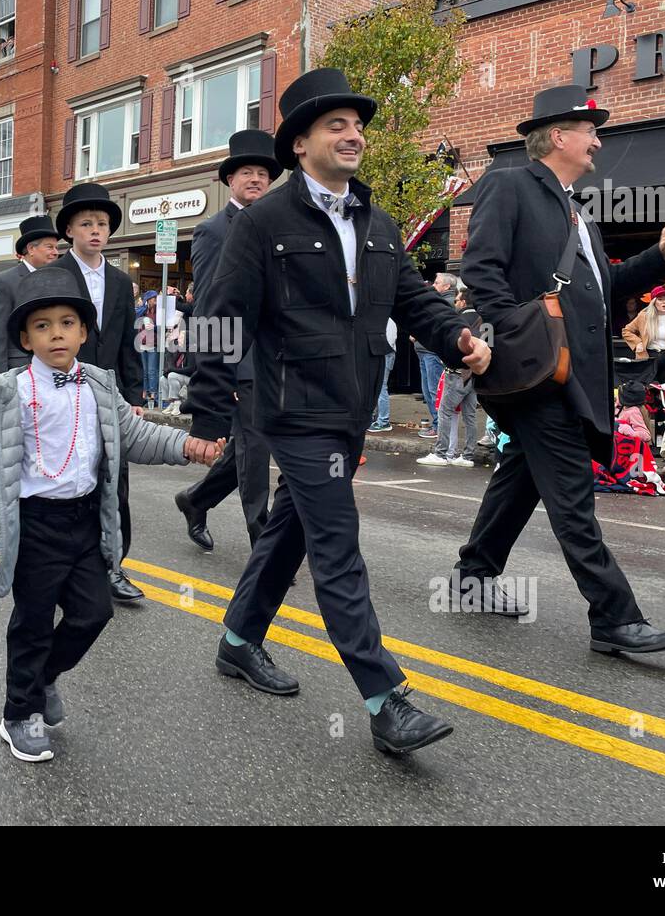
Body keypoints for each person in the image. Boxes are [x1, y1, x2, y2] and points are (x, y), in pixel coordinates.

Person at [185, 67, 491, 757]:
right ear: (299, 143)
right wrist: (207, 415)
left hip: (350, 406)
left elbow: (410, 300)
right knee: (337, 545)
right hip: (290, 411)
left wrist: (458, 336)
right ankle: (385, 698)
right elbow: (216, 318)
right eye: (336, 125)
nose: (353, 134)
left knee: (291, 528)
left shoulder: (378, 221)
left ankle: (237, 641)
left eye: (357, 125)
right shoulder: (264, 222)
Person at [458, 83, 665, 654]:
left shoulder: (577, 212)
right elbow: (482, 270)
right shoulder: (510, 184)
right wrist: (510, 341)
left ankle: (473, 579)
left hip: (572, 374)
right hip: (536, 370)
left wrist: (660, 255)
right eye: (591, 131)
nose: (598, 142)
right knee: (572, 495)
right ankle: (614, 618)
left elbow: (605, 288)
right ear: (558, 136)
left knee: (519, 477)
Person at [0, 269, 221, 762]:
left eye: (68, 323)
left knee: (94, 612)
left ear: (84, 333)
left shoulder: (101, 386)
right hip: (34, 522)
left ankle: (43, 680)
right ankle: (18, 713)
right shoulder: (7, 393)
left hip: (85, 521)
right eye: (42, 326)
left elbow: (135, 436)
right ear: (26, 338)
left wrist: (189, 446)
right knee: (34, 623)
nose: (57, 333)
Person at [176, 133, 282, 552]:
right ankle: (265, 541)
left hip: (277, 358)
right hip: (238, 359)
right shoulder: (212, 231)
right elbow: (207, 304)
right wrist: (217, 371)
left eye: (262, 173)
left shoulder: (278, 224)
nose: (255, 179)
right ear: (231, 180)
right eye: (247, 173)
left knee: (250, 444)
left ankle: (195, 499)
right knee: (254, 448)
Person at [49, 183, 145, 604]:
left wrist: (135, 395)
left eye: (102, 224)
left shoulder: (122, 282)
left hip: (110, 395)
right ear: (69, 229)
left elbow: (128, 342)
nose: (95, 230)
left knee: (115, 480)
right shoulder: (55, 275)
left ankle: (113, 565)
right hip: (64, 391)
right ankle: (61, 565)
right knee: (70, 479)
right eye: (86, 223)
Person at [0, 216, 60, 378]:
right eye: (50, 247)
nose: (56, 252)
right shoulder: (4, 281)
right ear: (31, 249)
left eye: (56, 247)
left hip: (53, 368)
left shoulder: (58, 280)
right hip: (18, 369)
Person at [417, 286, 480, 467]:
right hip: (475, 373)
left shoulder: (458, 320)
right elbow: (490, 345)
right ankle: (468, 455)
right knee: (470, 415)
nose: (456, 302)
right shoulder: (485, 321)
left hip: (457, 372)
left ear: (463, 301)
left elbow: (447, 346)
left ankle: (441, 453)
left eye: (457, 299)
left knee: (445, 411)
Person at [411, 272, 457, 438]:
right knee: (429, 391)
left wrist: (419, 333)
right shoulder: (439, 301)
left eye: (437, 283)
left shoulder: (445, 302)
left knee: (434, 391)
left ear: (446, 286)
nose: (433, 286)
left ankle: (439, 426)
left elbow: (436, 324)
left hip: (432, 352)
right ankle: (437, 424)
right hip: (425, 352)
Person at [368, 317, 397, 432]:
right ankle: (378, 418)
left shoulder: (388, 320)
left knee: (381, 387)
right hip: (381, 354)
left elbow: (388, 341)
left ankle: (384, 421)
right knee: (377, 387)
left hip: (384, 355)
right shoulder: (384, 319)